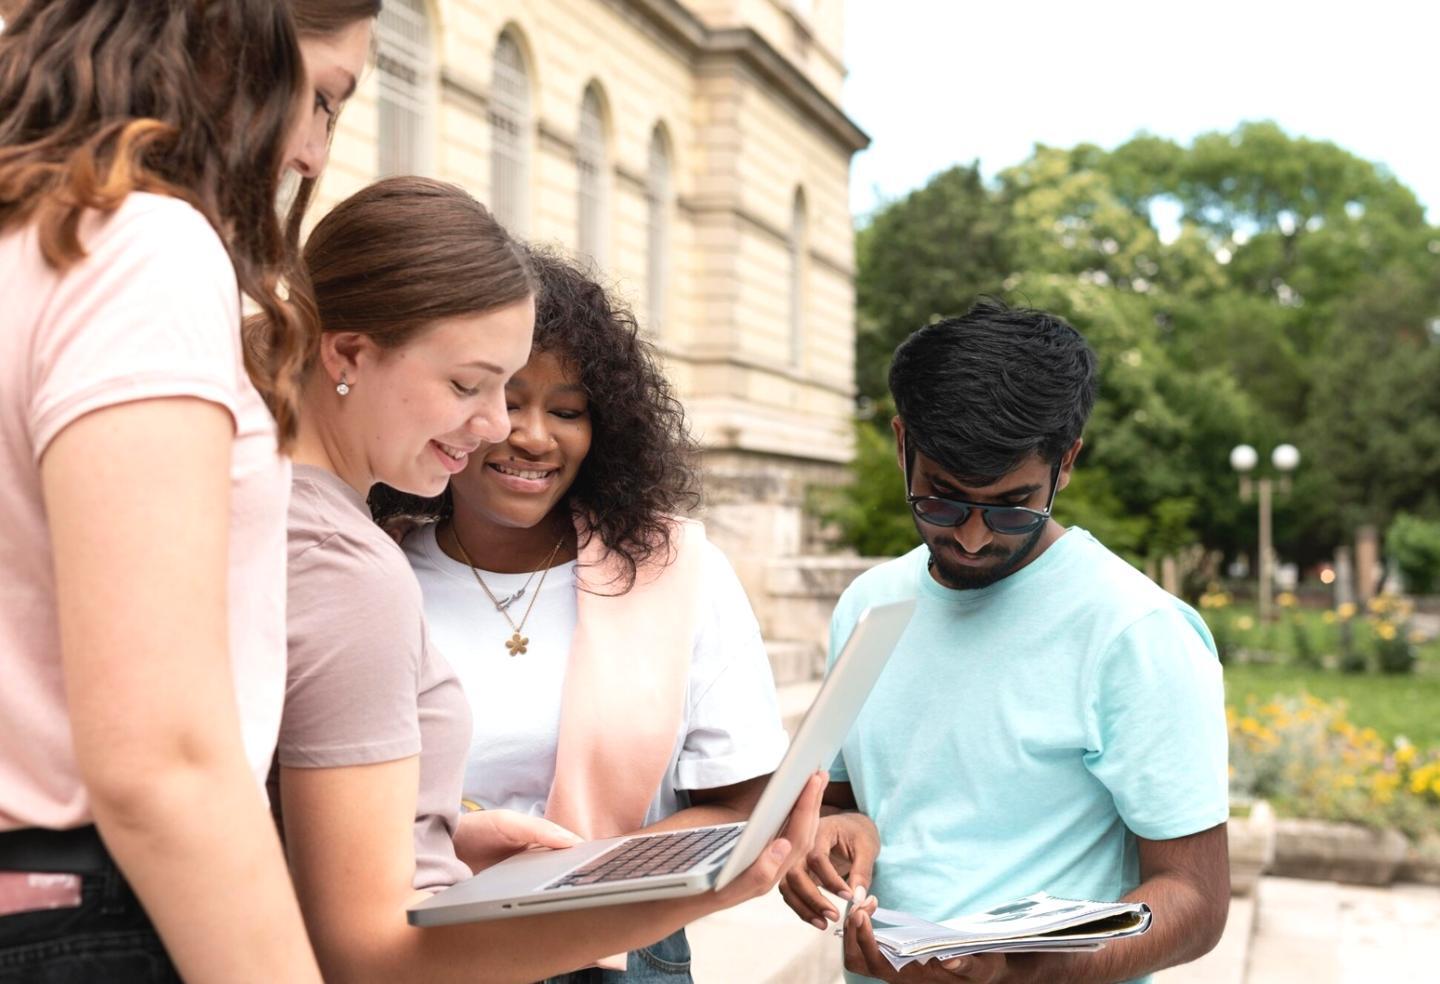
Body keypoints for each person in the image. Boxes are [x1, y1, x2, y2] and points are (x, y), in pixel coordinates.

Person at [267, 175, 823, 984]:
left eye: (564, 409)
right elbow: (365, 941)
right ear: (348, 356)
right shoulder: (355, 563)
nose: (510, 428)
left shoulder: (674, 569)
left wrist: (495, 857)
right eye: (474, 387)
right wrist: (711, 888)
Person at [0, 1, 375, 980]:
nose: (312, 155)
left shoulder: (26, 238)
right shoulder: (135, 247)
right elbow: (159, 762)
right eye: (323, 97)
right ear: (229, 34)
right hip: (90, 912)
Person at [780, 300, 1230, 984]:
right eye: (941, 498)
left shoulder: (1135, 632)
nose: (970, 537)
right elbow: (841, 802)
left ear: (1065, 463)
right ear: (902, 445)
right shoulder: (870, 605)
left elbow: (1193, 899)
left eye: (1012, 507)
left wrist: (1019, 970)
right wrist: (832, 836)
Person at [375, 247, 791, 982]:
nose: (535, 436)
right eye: (506, 401)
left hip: (626, 948)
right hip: (420, 947)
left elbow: (741, 801)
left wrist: (575, 877)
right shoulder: (372, 571)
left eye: (567, 411)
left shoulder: (674, 568)